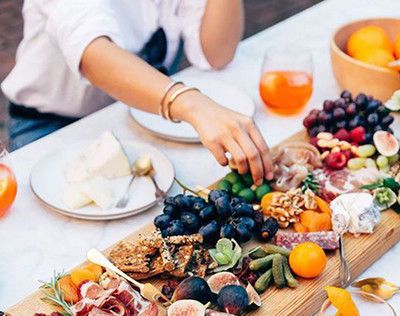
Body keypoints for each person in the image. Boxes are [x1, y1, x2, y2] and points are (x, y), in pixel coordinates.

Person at [1, 0, 273, 184]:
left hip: (144, 118)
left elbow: (217, 53)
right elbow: (92, 52)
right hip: (55, 126)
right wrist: (194, 105)